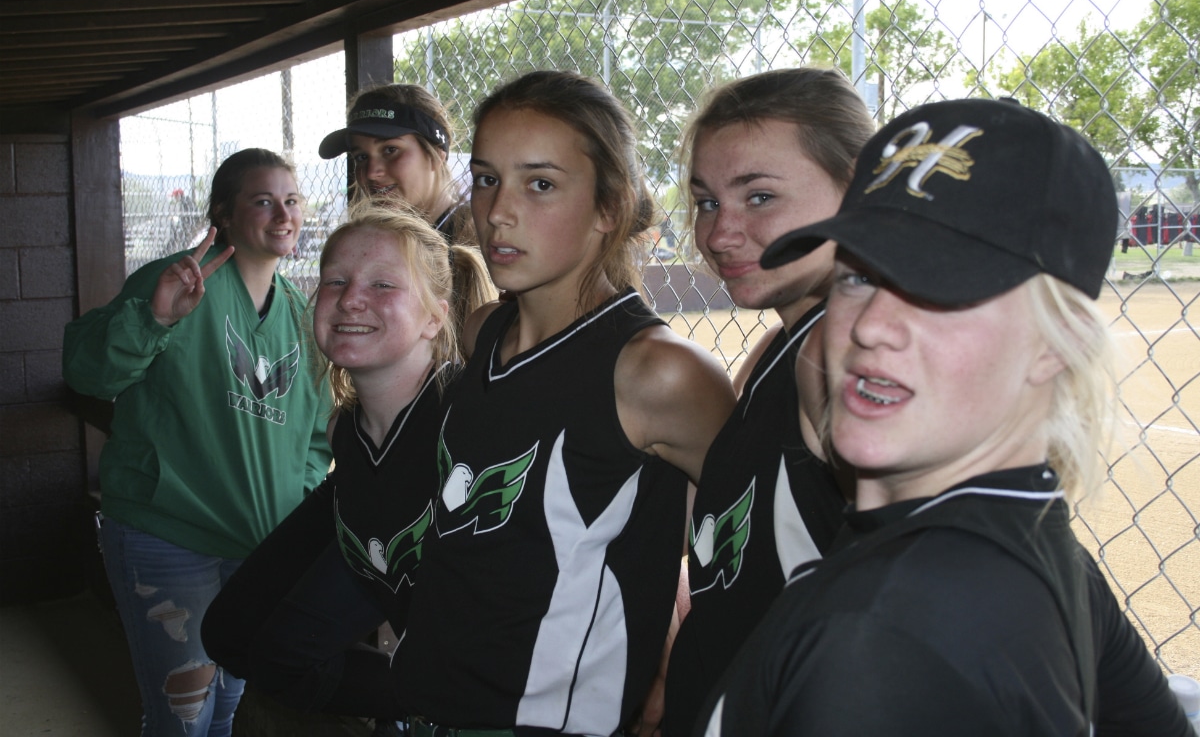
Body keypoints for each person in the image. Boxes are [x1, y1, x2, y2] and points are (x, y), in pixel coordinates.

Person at [695, 98, 1193, 735]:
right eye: (857, 278)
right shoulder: (1035, 549)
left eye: (939, 287)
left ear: (1057, 342)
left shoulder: (874, 641)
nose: (871, 327)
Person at [391, 69, 736, 736]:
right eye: (486, 178)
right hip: (431, 697)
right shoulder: (483, 331)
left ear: (610, 207)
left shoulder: (657, 373)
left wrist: (675, 660)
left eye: (540, 184)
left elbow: (737, 544)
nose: (498, 211)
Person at [62, 148, 334, 737]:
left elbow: (314, 440)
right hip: (169, 536)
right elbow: (88, 373)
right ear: (223, 215)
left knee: (227, 706)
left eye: (291, 200)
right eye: (263, 201)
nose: (283, 214)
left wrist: (293, 514)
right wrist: (155, 320)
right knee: (182, 715)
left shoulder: (300, 312)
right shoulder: (179, 280)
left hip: (256, 546)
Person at [201, 205, 495, 719]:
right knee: (230, 634)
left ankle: (440, 704)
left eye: (383, 285)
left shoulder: (472, 415)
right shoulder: (346, 431)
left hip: (508, 674)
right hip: (384, 557)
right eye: (335, 281)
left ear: (435, 318)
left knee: (281, 657)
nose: (351, 298)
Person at [658, 67, 874, 737]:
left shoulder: (843, 354)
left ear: (859, 188)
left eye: (759, 197)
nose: (720, 234)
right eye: (706, 202)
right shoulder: (783, 348)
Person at [319, 83, 473, 243]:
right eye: (361, 157)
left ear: (436, 156)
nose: (371, 173)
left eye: (390, 150)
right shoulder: (375, 241)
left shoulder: (475, 238)